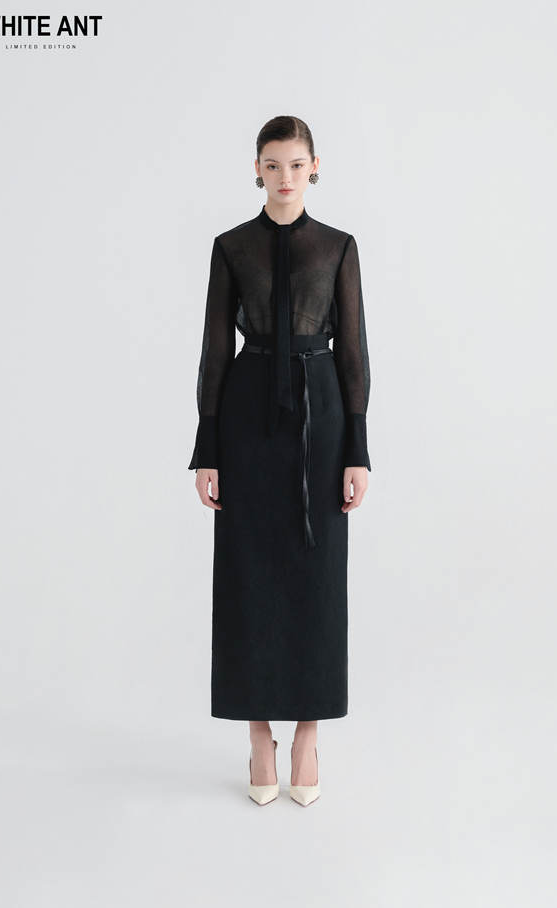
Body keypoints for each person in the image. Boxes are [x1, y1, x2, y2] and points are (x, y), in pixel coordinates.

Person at [188, 115, 371, 806]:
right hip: (247, 419)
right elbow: (214, 350)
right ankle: (258, 733)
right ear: (257, 170)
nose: (284, 177)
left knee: (316, 576)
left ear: (314, 166)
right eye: (272, 164)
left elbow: (353, 352)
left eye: (296, 164)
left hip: (321, 420)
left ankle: (307, 735)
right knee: (248, 574)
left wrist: (356, 449)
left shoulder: (338, 247)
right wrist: (207, 448)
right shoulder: (231, 247)